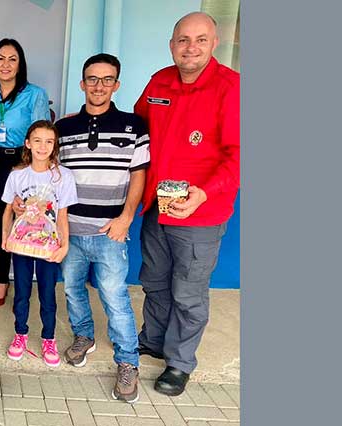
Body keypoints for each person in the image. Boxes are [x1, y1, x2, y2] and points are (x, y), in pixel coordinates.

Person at [133, 12, 240, 396]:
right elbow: (137, 127)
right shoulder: (160, 80)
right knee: (155, 280)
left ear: (213, 43)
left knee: (188, 290)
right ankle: (155, 339)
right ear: (172, 44)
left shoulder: (231, 87)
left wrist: (204, 192)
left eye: (200, 39)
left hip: (200, 211)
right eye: (183, 40)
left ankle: (179, 362)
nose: (190, 48)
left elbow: (239, 153)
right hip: (157, 204)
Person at [55, 54, 150, 403]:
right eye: (92, 79)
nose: (98, 86)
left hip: (110, 231)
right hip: (72, 230)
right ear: (82, 84)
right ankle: (84, 336)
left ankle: (128, 363)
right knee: (72, 290)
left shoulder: (134, 125)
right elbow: (54, 177)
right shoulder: (63, 129)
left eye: (106, 79)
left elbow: (138, 175)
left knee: (115, 298)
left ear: (116, 84)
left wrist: (126, 219)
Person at [0, 39, 50, 308]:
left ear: (20, 64)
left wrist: (31, 169)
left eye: (12, 59)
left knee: (28, 220)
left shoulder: (35, 94)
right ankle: (2, 280)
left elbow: (41, 135)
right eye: (0, 58)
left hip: (24, 161)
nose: (6, 64)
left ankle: (24, 285)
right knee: (2, 223)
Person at [1, 120, 76, 368]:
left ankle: (48, 338)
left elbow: (62, 216)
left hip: (49, 247)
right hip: (22, 245)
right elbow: (7, 211)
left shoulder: (63, 177)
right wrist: (4, 238)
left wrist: (64, 246)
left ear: (54, 146)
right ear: (27, 144)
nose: (42, 147)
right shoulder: (17, 175)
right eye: (37, 140)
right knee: (21, 292)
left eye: (49, 141)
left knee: (47, 294)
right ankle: (20, 334)